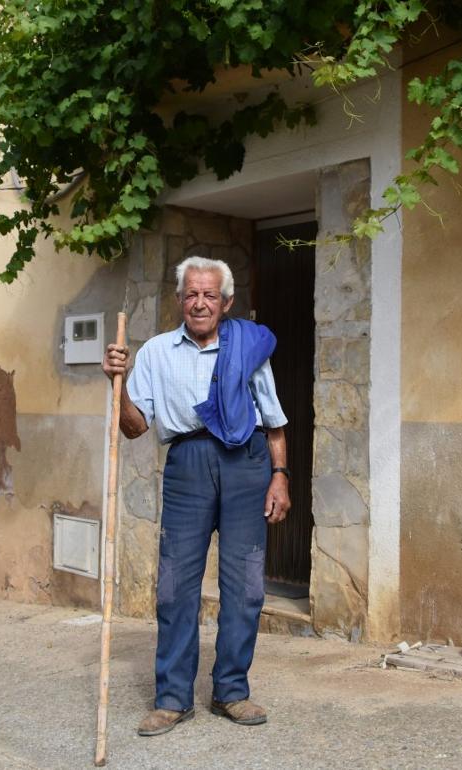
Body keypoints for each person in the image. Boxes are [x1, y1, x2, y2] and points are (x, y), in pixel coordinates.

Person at [102, 256, 291, 737]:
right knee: (174, 586)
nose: (200, 303)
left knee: (245, 585)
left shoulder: (247, 349)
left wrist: (280, 476)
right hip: (187, 465)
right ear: (179, 300)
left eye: (210, 295)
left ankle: (231, 690)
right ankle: (172, 698)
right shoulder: (157, 353)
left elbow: (273, 419)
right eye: (191, 294)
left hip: (246, 464)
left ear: (226, 302)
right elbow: (133, 427)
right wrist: (117, 387)